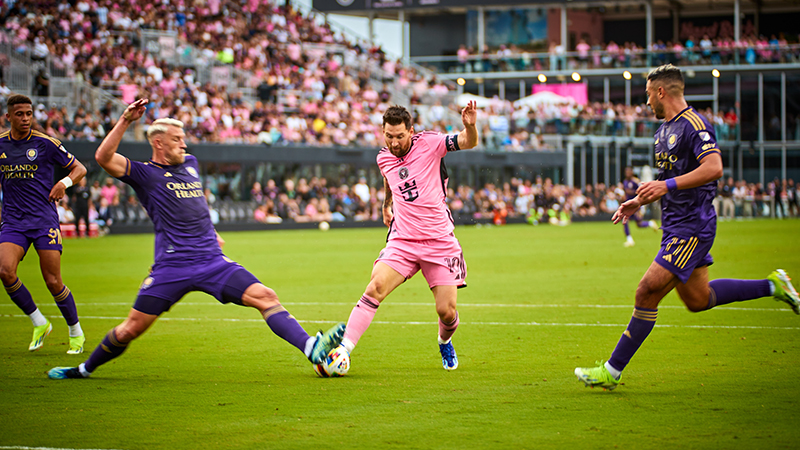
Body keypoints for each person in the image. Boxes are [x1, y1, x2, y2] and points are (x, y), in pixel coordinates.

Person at [48, 99, 345, 380]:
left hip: (212, 261)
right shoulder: (144, 174)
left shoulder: (191, 163)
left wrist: (210, 231)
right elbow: (103, 158)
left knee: (266, 297)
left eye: (183, 138)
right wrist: (126, 120)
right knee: (130, 329)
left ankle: (311, 347)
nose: (184, 143)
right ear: (158, 142)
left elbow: (194, 204)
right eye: (177, 139)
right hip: (172, 266)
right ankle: (84, 370)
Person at [574, 64, 800, 390]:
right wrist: (641, 200)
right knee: (697, 299)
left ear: (662, 92)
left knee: (646, 291)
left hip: (692, 226)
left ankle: (612, 370)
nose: (647, 101)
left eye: (649, 94)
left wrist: (666, 187)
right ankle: (773, 286)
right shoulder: (662, 131)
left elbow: (714, 167)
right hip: (675, 224)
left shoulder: (695, 125)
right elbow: (670, 179)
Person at [338, 101, 479, 371]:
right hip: (402, 240)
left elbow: (467, 142)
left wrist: (470, 126)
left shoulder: (431, 143)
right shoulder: (383, 157)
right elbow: (389, 178)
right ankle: (343, 351)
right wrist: (386, 204)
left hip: (439, 241)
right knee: (374, 288)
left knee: (446, 312)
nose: (394, 143)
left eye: (400, 137)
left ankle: (443, 341)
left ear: (411, 131)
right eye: (389, 136)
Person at [0, 94, 88, 354]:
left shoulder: (45, 143)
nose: (25, 118)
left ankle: (76, 331)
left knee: (52, 281)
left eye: (28, 113)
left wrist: (63, 183)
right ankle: (39, 322)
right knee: (5, 271)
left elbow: (80, 169)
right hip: (13, 221)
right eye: (19, 114)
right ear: (8, 117)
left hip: (43, 220)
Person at [621, 166, 659, 247]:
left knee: (639, 224)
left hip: (636, 206)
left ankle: (650, 223)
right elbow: (626, 193)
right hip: (629, 205)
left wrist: (640, 208)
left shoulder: (636, 181)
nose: (627, 173)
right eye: (626, 171)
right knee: (626, 221)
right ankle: (629, 240)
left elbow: (641, 192)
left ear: (632, 172)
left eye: (628, 171)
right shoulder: (625, 182)